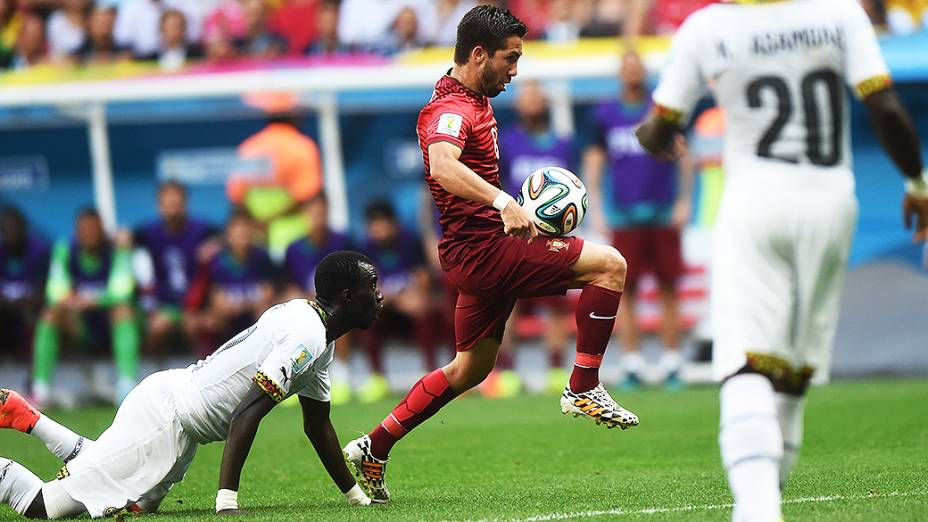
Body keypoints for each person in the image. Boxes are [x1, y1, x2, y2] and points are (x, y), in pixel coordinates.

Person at [635, 1, 928, 520]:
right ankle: (765, 502)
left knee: (747, 366)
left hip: (756, 203)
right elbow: (884, 108)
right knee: (791, 373)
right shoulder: (839, 14)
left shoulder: (707, 27)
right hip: (831, 204)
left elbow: (660, 127)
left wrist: (655, 136)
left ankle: (757, 509)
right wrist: (917, 182)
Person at [343, 5, 639, 503]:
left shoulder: (472, 97)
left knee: (469, 369)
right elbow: (441, 165)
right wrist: (504, 202)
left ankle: (374, 446)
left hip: (476, 254)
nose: (516, 69)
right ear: (479, 55)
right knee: (612, 265)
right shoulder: (450, 111)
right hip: (485, 251)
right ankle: (583, 385)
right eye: (510, 58)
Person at [0, 251, 383, 518]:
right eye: (373, 286)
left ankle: (28, 418)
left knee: (125, 498)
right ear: (348, 297)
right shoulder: (307, 335)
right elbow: (246, 412)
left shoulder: (319, 339)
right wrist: (227, 502)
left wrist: (356, 499)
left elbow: (318, 426)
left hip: (180, 431)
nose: (380, 295)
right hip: (164, 418)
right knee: (43, 506)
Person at [584, 50, 694, 390]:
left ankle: (672, 361)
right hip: (624, 215)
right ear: (620, 72)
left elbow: (684, 155)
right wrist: (597, 206)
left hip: (661, 212)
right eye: (626, 66)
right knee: (624, 291)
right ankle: (632, 362)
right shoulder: (604, 114)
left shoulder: (661, 110)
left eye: (637, 67)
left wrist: (684, 201)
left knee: (668, 289)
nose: (632, 72)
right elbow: (595, 160)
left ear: (644, 71)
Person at [497, 79, 575, 396]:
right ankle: (506, 371)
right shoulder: (506, 143)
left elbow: (573, 189)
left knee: (554, 305)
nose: (531, 103)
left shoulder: (562, 144)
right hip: (515, 235)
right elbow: (497, 185)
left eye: (536, 97)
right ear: (517, 105)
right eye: (525, 98)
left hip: (552, 237)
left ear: (545, 104)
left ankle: (556, 368)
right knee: (508, 303)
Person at [31, 208, 138, 406]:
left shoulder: (117, 250)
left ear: (102, 230)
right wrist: (72, 301)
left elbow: (123, 291)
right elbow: (54, 292)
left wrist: (90, 300)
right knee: (50, 314)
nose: (89, 233)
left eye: (93, 229)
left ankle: (127, 387)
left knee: (123, 310)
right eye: (84, 229)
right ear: (77, 231)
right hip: (80, 327)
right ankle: (41, 390)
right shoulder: (65, 249)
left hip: (109, 326)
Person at [358, 200, 443, 403]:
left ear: (393, 223)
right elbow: (366, 286)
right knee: (364, 315)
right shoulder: (365, 248)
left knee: (422, 308)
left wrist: (408, 297)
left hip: (411, 306)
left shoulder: (411, 242)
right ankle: (377, 378)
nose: (378, 230)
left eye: (382, 223)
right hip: (386, 308)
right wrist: (391, 298)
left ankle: (429, 375)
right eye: (373, 225)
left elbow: (423, 280)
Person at [132, 181, 218, 360]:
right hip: (165, 305)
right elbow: (123, 239)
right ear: (159, 205)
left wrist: (217, 244)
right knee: (156, 328)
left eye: (176, 203)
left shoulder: (202, 230)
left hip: (196, 304)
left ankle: (204, 373)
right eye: (167, 203)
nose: (172, 209)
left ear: (185, 203)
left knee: (198, 325)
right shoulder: (149, 232)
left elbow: (229, 236)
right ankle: (155, 370)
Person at [281, 192, 353, 404]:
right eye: (313, 212)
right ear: (305, 214)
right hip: (306, 305)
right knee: (291, 325)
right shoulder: (293, 248)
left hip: (336, 304)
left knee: (342, 319)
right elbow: (287, 284)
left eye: (321, 212)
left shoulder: (342, 241)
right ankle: (288, 380)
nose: (317, 217)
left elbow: (355, 275)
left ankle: (341, 379)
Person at [227, 108, 324, 261]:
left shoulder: (249, 146)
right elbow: (309, 196)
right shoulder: (304, 147)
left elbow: (236, 196)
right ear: (295, 117)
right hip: (294, 235)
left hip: (255, 236)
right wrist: (273, 219)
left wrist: (258, 223)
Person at [196, 210, 275, 351]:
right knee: (210, 322)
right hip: (228, 320)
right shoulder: (218, 261)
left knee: (267, 314)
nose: (242, 234)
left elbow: (268, 293)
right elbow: (216, 299)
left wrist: (243, 303)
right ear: (228, 234)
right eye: (237, 229)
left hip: (254, 318)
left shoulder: (262, 258)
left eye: (246, 228)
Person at [0, 206, 50, 362]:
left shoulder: (39, 251)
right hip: (5, 307)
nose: (11, 235)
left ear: (24, 229)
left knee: (36, 313)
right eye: (7, 230)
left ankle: (37, 360)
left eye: (15, 229)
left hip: (30, 306)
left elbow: (43, 289)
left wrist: (23, 302)